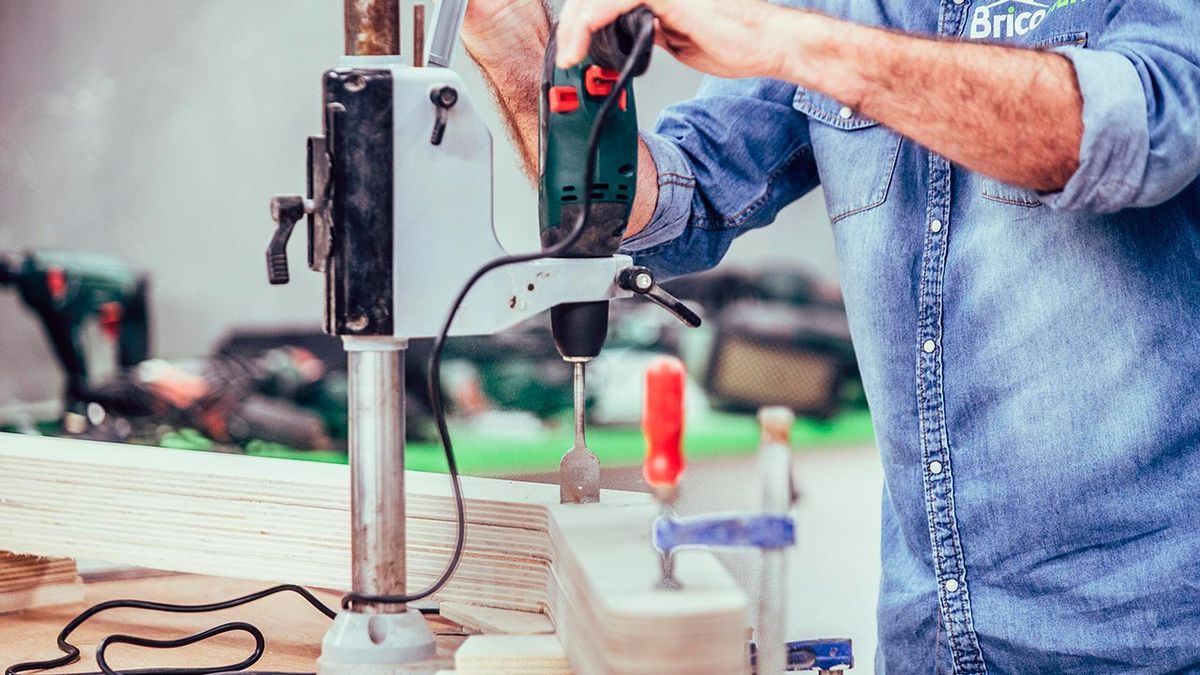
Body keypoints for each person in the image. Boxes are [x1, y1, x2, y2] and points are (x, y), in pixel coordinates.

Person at [462, 1, 1200, 672]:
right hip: (930, 640)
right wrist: (524, 62)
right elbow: (678, 202)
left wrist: (789, 42)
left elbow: (1134, 129)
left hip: (1142, 642)